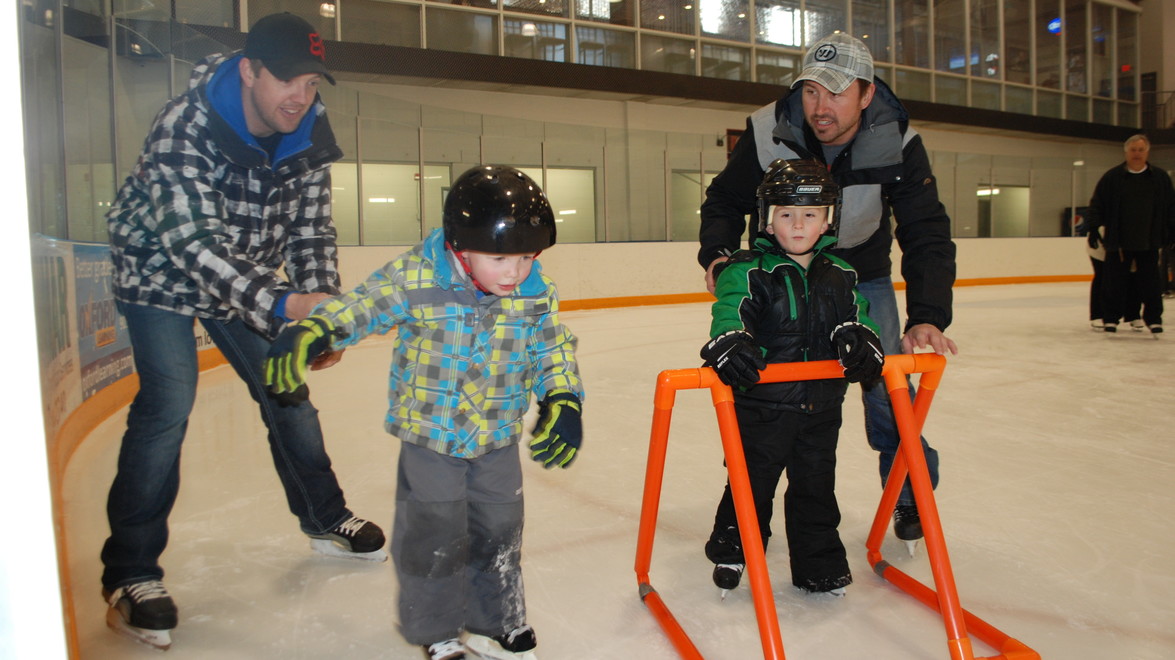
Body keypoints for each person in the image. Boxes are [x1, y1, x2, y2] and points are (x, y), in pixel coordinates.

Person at [102, 13, 385, 651]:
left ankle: (324, 515)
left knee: (288, 392)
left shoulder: (307, 130)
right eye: (287, 78)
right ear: (249, 70)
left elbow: (312, 231)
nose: (300, 95)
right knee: (168, 403)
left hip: (250, 279)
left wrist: (324, 310)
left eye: (312, 82)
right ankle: (130, 572)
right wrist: (287, 304)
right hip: (162, 271)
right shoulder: (184, 124)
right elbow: (193, 245)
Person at [264, 165, 585, 660]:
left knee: (500, 531)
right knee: (434, 535)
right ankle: (435, 629)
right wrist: (318, 330)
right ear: (460, 245)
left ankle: (495, 624)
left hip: (497, 436)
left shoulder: (534, 292)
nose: (514, 272)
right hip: (431, 438)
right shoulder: (416, 277)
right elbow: (363, 306)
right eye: (501, 258)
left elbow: (551, 350)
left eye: (526, 257)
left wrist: (563, 396)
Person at [698, 32, 958, 555]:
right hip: (779, 275)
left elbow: (925, 228)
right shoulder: (767, 128)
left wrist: (928, 313)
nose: (821, 106)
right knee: (767, 388)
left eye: (837, 93)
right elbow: (724, 198)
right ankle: (750, 499)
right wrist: (720, 253)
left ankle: (909, 491)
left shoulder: (897, 138)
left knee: (886, 390)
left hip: (860, 273)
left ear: (867, 94)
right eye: (812, 91)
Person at [699, 159, 884, 596]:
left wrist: (861, 338)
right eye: (786, 214)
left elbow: (860, 316)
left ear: (828, 220)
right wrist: (731, 339)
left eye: (810, 215)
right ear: (767, 218)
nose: (798, 226)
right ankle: (734, 550)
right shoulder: (748, 271)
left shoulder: (842, 275)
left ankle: (819, 565)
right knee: (751, 484)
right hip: (762, 408)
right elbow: (730, 310)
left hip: (821, 407)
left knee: (816, 487)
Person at [1085, 134, 1175, 334]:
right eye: (1133, 150)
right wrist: (1093, 228)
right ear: (1126, 152)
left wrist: (1172, 231)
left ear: (1147, 152)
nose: (1137, 154)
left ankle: (1153, 318)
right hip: (1118, 242)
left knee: (1151, 284)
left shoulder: (1160, 178)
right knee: (1113, 283)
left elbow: (1171, 207)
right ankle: (1111, 318)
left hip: (1149, 241)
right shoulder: (1112, 177)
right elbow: (1097, 204)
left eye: (1141, 150)